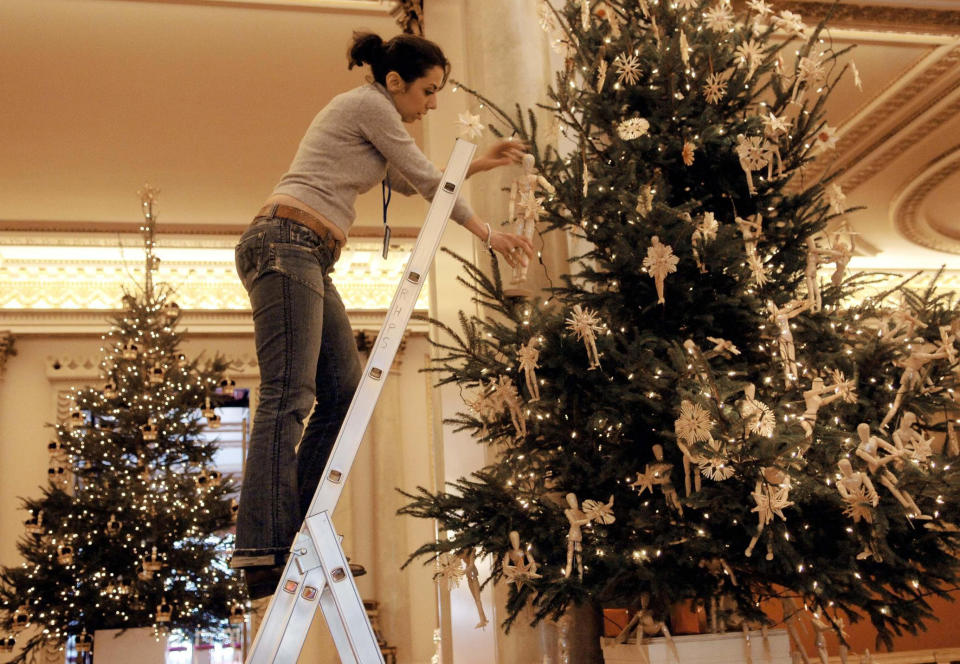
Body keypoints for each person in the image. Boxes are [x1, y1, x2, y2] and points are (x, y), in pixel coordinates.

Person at [231, 30, 535, 599]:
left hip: (306, 251)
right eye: (428, 91)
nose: (433, 104)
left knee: (343, 391)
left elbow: (407, 175)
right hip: (285, 242)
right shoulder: (369, 105)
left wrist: (478, 165)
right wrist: (487, 232)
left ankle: (294, 534)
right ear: (394, 82)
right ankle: (262, 547)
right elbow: (421, 177)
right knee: (288, 396)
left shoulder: (373, 117)